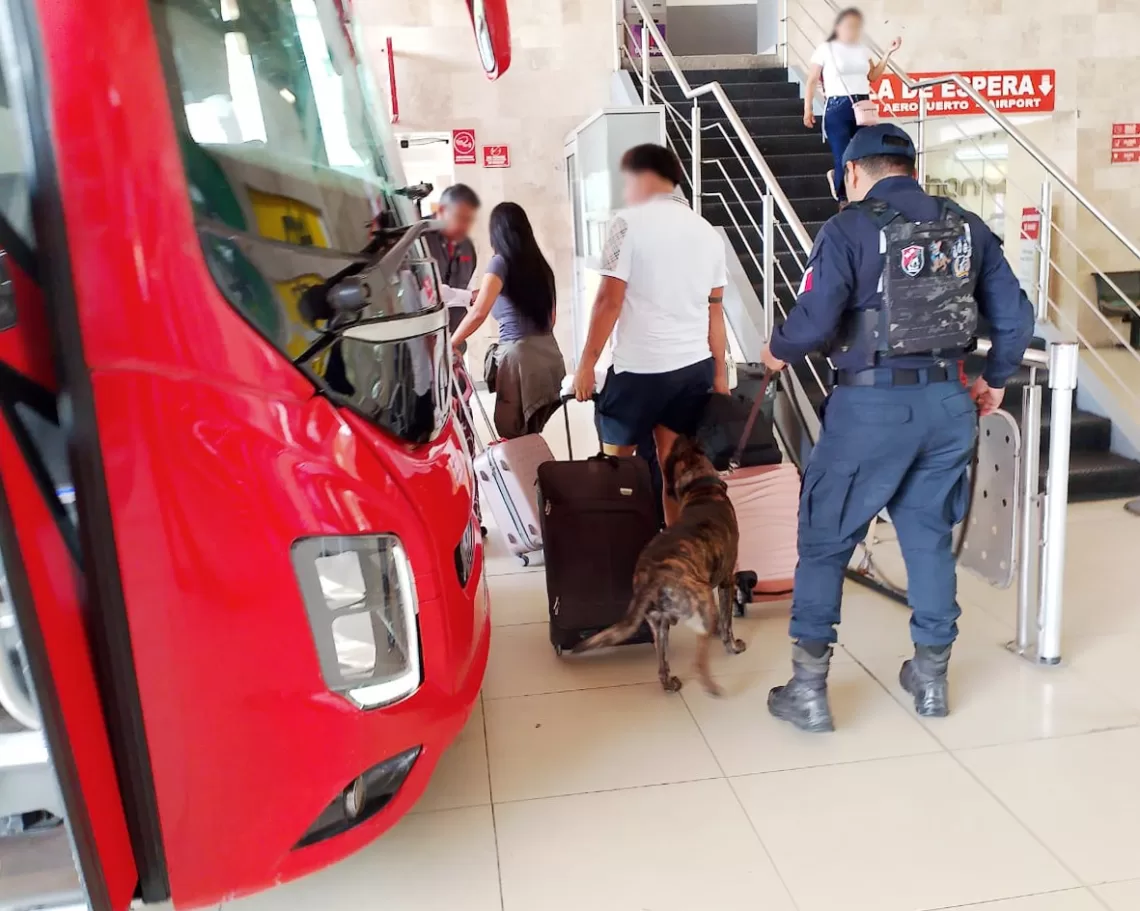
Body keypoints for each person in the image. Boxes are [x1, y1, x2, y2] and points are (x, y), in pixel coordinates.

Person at [762, 124, 1034, 732]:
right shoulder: (966, 225)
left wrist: (777, 349)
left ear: (853, 174)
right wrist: (993, 378)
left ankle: (808, 690)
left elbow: (814, 317)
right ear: (910, 167)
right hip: (947, 405)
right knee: (929, 536)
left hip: (871, 409)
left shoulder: (849, 227)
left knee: (826, 537)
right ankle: (931, 680)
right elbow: (1015, 314)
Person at [572, 144, 729, 526]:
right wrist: (720, 374)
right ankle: (674, 546)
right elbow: (714, 308)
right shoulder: (707, 231)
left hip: (640, 372)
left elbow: (608, 301)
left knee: (615, 468)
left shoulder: (625, 224)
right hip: (692, 370)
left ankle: (618, 549)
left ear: (644, 177)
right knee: (673, 469)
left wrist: (586, 365)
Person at [451, 202, 565, 439]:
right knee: (531, 434)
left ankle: (522, 476)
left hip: (518, 359)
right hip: (549, 358)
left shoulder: (500, 263)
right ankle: (536, 476)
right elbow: (551, 317)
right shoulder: (542, 267)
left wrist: (452, 342)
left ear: (497, 233)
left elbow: (479, 312)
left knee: (509, 433)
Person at [803, 8, 901, 205]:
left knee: (864, 152)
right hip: (837, 105)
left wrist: (888, 53)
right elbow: (812, 79)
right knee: (843, 153)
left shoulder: (862, 49)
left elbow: (873, 76)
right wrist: (808, 109)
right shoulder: (825, 49)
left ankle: (859, 193)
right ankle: (843, 198)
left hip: (862, 103)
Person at [424, 184, 481, 336]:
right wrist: (469, 297)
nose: (464, 226)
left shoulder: (467, 246)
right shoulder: (418, 237)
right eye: (460, 218)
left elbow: (467, 288)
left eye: (469, 220)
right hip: (421, 338)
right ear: (442, 211)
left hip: (454, 338)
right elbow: (424, 290)